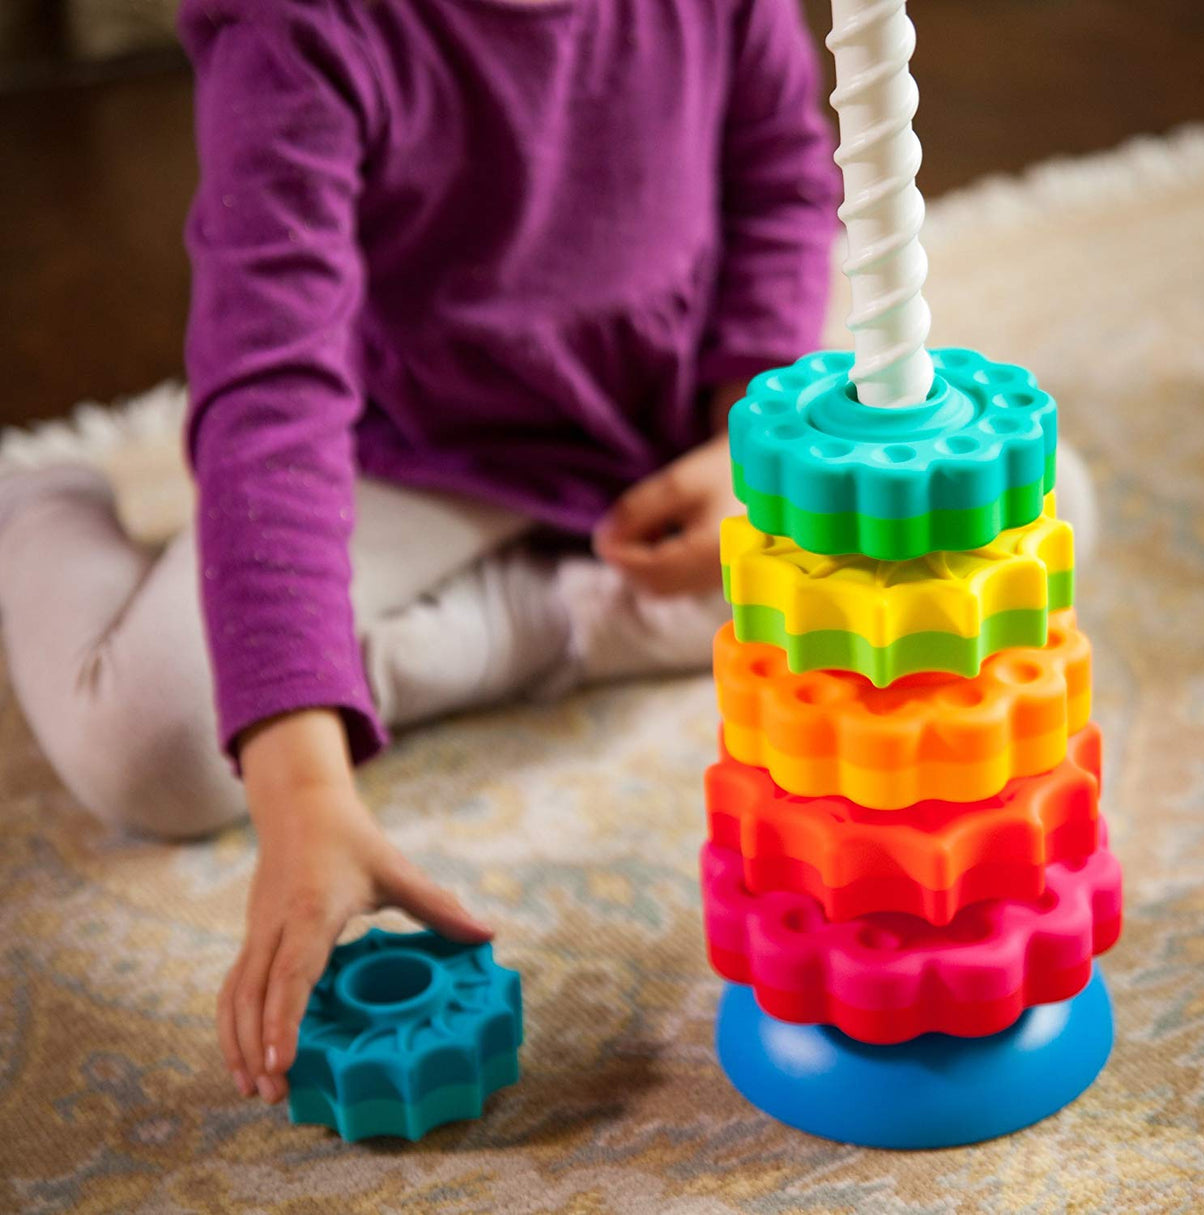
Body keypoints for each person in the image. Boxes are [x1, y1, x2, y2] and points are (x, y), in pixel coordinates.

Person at [0, 0, 840, 1105]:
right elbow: (273, 394)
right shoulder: (299, 28)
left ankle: (513, 621)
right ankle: (36, 507)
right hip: (413, 452)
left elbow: (783, 186)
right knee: (155, 745)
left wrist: (746, 431)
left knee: (986, 527)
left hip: (653, 441)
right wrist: (303, 791)